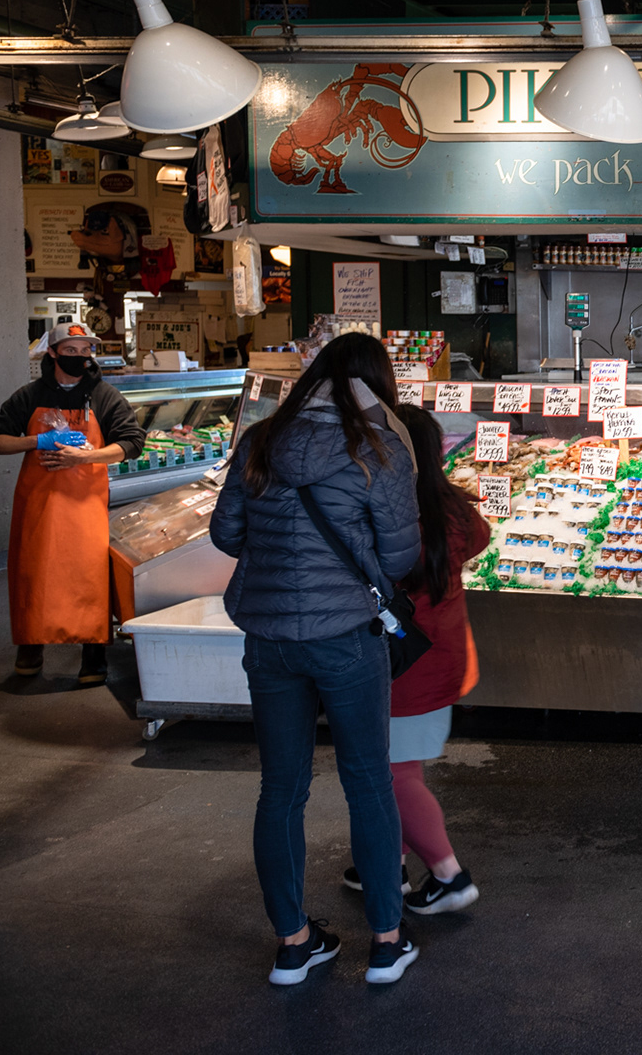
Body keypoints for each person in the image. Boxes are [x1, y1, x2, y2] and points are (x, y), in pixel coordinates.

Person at [209, 333, 423, 985]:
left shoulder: (260, 441)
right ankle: (386, 942)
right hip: (347, 639)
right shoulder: (376, 451)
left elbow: (225, 533)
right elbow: (400, 557)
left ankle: (294, 944)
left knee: (281, 790)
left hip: (269, 640)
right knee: (368, 782)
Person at [349, 403, 488, 916]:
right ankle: (385, 860)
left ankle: (450, 875)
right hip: (441, 661)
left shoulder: (394, 516)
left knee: (394, 777)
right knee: (403, 767)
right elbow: (478, 539)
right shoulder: (449, 506)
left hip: (403, 668)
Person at [0, 323, 146, 684]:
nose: (81, 357)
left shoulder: (105, 396)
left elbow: (132, 443)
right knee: (34, 573)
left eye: (86, 351)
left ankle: (93, 649)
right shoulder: (29, 396)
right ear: (53, 353)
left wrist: (85, 458)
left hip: (85, 505)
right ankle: (31, 644)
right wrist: (37, 442)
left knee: (88, 575)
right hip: (38, 504)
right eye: (72, 350)